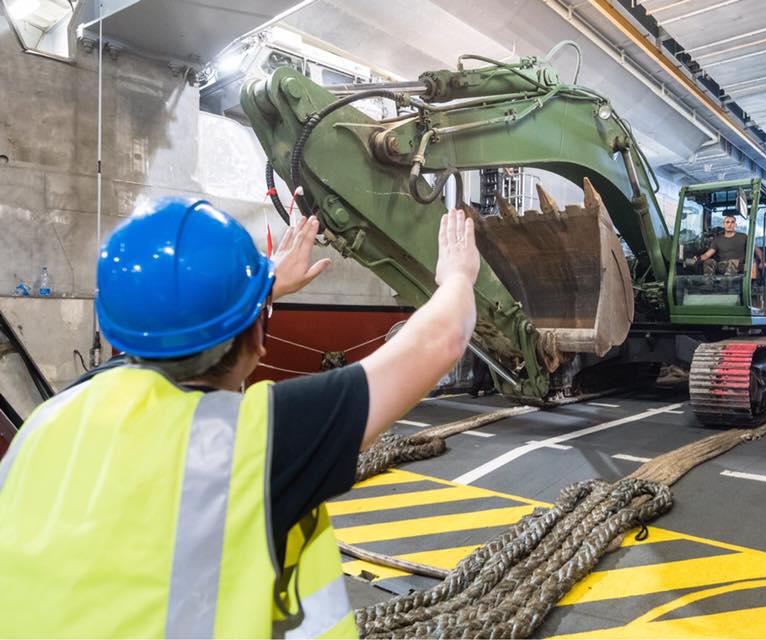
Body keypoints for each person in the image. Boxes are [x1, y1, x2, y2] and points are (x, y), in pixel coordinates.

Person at [0, 198, 480, 638]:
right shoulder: (254, 443)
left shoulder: (43, 426)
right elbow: (439, 340)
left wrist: (262, 284)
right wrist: (457, 274)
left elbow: (174, 319)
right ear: (256, 339)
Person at [695, 213, 765, 276]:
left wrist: (762, 261)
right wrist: (697, 259)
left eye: (732, 222)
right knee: (709, 262)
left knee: (732, 262)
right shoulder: (717, 239)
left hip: (738, 266)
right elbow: (707, 254)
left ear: (735, 225)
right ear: (724, 224)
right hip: (722, 265)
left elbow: (756, 249)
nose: (729, 224)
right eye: (727, 222)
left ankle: (728, 285)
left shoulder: (743, 237)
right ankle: (709, 286)